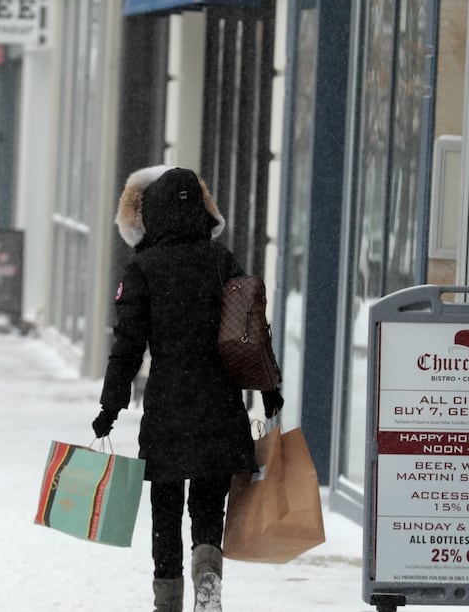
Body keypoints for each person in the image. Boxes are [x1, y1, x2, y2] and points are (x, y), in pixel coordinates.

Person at [91, 166, 284, 612]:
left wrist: (110, 407)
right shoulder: (223, 261)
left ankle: (167, 600)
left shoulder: (142, 269)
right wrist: (269, 387)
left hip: (168, 405)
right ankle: (207, 575)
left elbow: (127, 349)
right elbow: (253, 330)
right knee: (207, 503)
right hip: (219, 401)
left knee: (165, 508)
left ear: (153, 214)